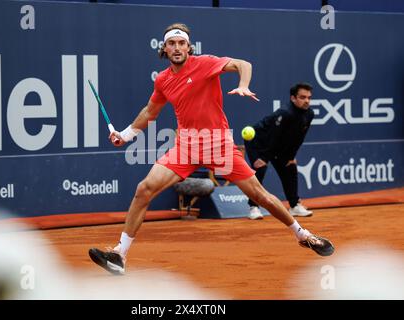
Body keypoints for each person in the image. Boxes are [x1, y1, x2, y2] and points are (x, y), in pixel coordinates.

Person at [89, 23, 334, 275]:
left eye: (181, 43)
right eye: (171, 43)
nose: (177, 48)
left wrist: (244, 84)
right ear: (164, 48)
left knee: (261, 196)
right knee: (144, 189)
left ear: (188, 47)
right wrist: (126, 134)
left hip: (218, 145)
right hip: (186, 147)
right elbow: (150, 111)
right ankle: (120, 254)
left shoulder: (205, 63)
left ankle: (302, 234)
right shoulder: (163, 80)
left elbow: (243, 64)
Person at [244, 83, 315, 220]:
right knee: (260, 170)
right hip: (258, 142)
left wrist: (291, 156)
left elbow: (299, 137)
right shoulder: (285, 113)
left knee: (290, 167)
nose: (306, 100)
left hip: (277, 145)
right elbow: (272, 137)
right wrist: (263, 158)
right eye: (302, 97)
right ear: (293, 98)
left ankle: (294, 206)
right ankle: (253, 207)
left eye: (308, 97)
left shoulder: (309, 114)